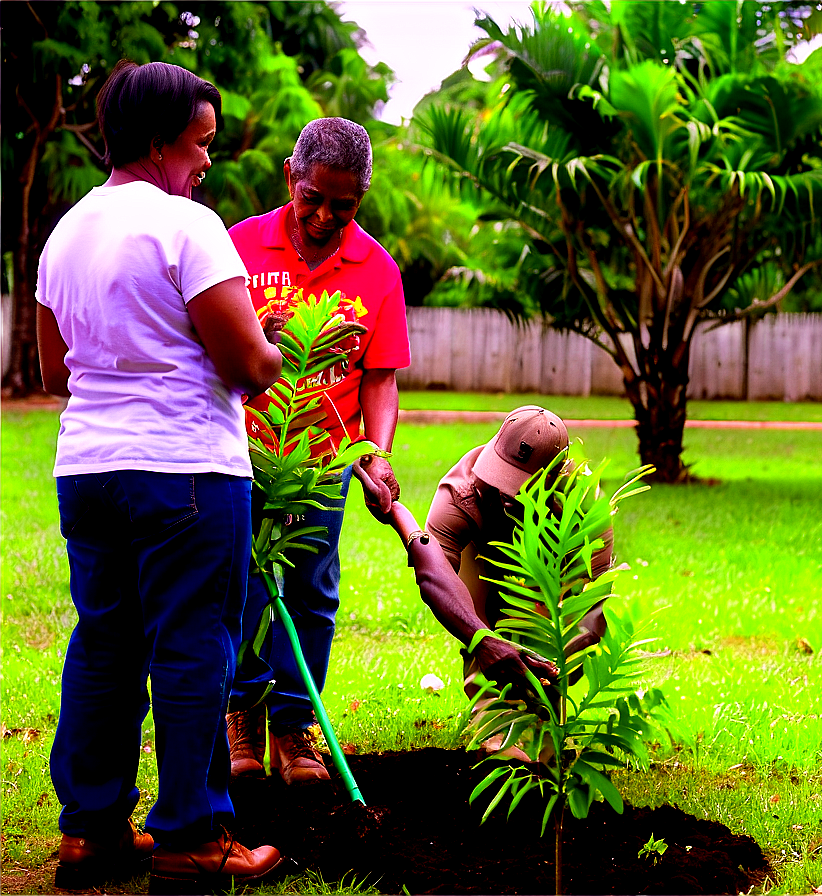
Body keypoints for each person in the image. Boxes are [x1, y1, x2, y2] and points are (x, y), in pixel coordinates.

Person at [35, 59, 288, 893]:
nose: (207, 161)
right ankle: (192, 838)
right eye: (200, 143)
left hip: (90, 471)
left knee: (104, 644)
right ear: (157, 142)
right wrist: (273, 342)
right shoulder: (188, 226)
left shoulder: (65, 232)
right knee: (191, 646)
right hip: (185, 469)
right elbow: (248, 363)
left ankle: (93, 834)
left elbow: (53, 372)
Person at [225, 117, 411, 785]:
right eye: (312, 198)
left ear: (361, 196)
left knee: (311, 592)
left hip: (321, 463)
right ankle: (240, 714)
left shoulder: (378, 270)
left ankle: (294, 728)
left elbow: (381, 377)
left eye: (344, 204)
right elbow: (203, 349)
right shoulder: (237, 246)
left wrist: (375, 452)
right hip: (238, 455)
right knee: (242, 585)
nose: (325, 215)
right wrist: (257, 335)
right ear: (289, 178)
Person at [423, 406, 615, 719]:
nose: (505, 492)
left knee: (559, 637)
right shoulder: (460, 493)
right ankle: (491, 717)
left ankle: (546, 718)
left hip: (554, 558)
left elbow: (591, 601)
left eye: (520, 485)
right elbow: (434, 576)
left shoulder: (584, 505)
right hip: (481, 549)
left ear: (556, 477)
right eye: (502, 476)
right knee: (477, 614)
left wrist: (557, 669)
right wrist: (484, 641)